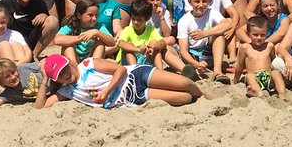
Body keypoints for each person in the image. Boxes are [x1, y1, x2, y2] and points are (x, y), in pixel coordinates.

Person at [37, 53, 208, 109]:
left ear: (69, 63)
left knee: (184, 83)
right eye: (60, 75)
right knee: (184, 98)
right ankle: (196, 96)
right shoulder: (68, 91)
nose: (65, 74)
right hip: (132, 97)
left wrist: (107, 92)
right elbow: (40, 106)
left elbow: (120, 69)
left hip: (135, 76)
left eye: (64, 69)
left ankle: (205, 95)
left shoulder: (88, 65)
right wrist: (45, 80)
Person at [176, 0, 232, 82]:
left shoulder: (212, 12)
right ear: (190, 2)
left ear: (209, 1)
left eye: (204, 1)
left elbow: (227, 24)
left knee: (219, 36)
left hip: (207, 52)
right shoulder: (184, 21)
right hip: (192, 55)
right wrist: (196, 64)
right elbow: (183, 50)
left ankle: (217, 72)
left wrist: (203, 34)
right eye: (197, 1)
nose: (201, 5)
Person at [236, 15, 287, 98]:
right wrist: (235, 80)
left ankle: (282, 94)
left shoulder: (269, 46)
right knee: (249, 76)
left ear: (267, 34)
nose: (259, 38)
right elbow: (240, 66)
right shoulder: (245, 47)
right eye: (255, 35)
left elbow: (274, 62)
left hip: (268, 77)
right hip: (254, 78)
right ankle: (259, 92)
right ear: (248, 34)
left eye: (262, 35)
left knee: (276, 73)